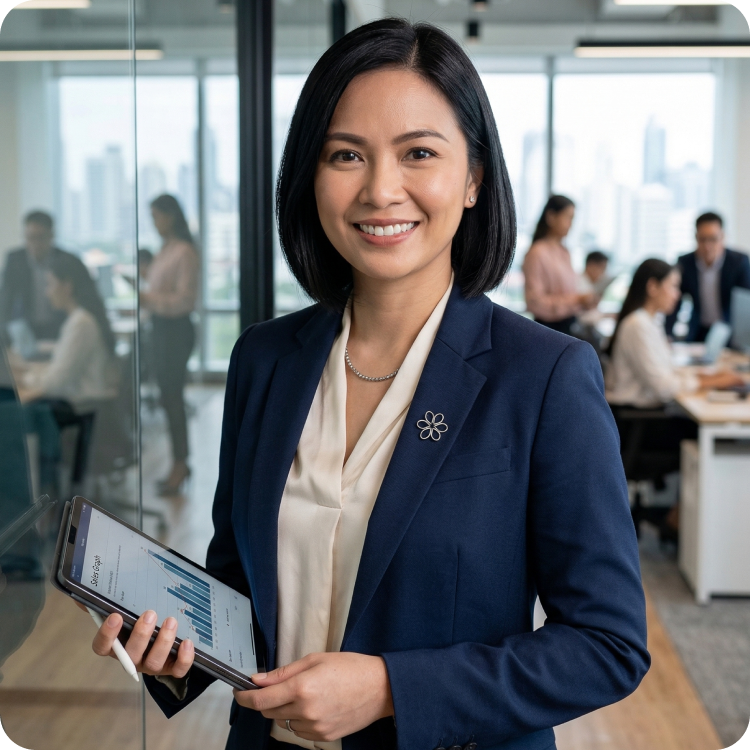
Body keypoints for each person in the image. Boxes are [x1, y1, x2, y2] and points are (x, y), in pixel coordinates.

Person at [86, 20, 648, 750]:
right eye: (346, 155)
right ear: (310, 176)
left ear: (474, 177)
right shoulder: (264, 360)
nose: (381, 190)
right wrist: (171, 653)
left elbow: (608, 646)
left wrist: (390, 689)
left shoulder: (542, 376)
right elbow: (239, 593)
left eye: (419, 153)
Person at [606, 258, 743, 408]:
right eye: (673, 286)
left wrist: (705, 377)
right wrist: (714, 382)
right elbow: (663, 387)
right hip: (639, 418)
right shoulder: (638, 325)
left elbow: (666, 372)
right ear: (652, 287)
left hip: (644, 413)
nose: (677, 295)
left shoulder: (649, 322)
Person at [139, 195, 199, 496]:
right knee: (168, 398)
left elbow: (185, 301)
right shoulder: (165, 250)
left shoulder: (184, 251)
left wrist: (147, 299)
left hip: (175, 330)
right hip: (161, 329)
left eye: (156, 216)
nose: (154, 222)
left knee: (173, 400)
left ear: (171, 216)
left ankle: (180, 463)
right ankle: (179, 462)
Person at [20, 252, 118, 406]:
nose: (47, 293)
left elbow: (55, 382)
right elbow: (61, 368)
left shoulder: (81, 323)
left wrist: (25, 378)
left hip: (82, 408)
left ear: (67, 286)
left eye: (50, 284)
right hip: (83, 407)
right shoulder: (81, 319)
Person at [665, 212, 750, 342]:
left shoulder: (739, 263)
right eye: (702, 239)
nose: (707, 246)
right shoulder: (685, 263)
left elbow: (745, 304)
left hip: (731, 332)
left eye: (713, 239)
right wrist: (667, 335)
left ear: (723, 237)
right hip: (699, 330)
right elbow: (676, 301)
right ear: (695, 237)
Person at [0, 211, 80, 342]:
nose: (35, 244)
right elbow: (6, 300)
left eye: (41, 237)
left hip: (60, 329)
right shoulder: (15, 260)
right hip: (25, 332)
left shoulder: (67, 261)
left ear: (51, 235)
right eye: (30, 238)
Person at [523, 195, 597, 335]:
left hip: (569, 325)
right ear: (551, 217)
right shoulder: (537, 253)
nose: (570, 224)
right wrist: (576, 300)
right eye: (568, 218)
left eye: (572, 219)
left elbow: (569, 292)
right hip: (548, 330)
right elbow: (535, 302)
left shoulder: (565, 252)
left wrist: (584, 301)